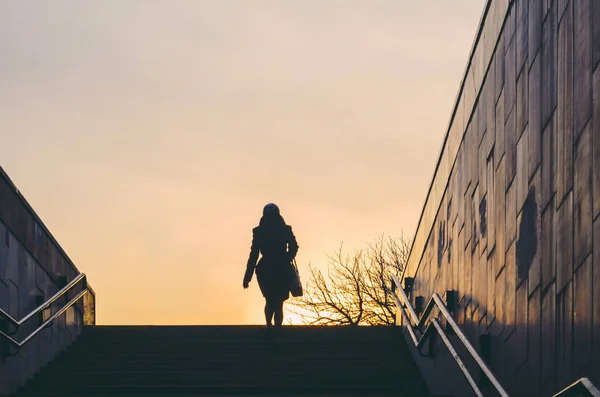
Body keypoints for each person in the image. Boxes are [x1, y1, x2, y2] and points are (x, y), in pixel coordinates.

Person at [243, 203, 298, 347]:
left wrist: (247, 276)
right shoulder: (285, 230)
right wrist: (287, 258)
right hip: (280, 267)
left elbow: (254, 254)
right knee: (278, 301)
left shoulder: (259, 232)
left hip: (266, 267)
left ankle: (269, 326)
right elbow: (294, 246)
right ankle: (276, 329)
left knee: (270, 300)